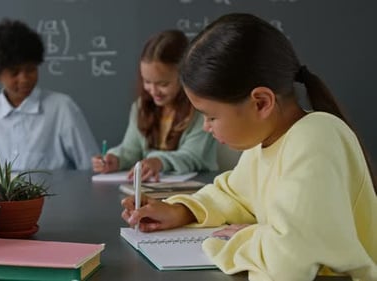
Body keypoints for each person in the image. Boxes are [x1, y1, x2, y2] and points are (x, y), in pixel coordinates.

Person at [121, 13, 376, 281]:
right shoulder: (265, 142)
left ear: (261, 103)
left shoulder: (316, 137)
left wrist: (245, 236)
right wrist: (179, 211)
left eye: (211, 116)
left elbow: (289, 261)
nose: (206, 127)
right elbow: (233, 195)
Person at [0, 18, 99, 170]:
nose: (24, 79)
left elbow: (90, 166)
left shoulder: (61, 108)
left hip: (57, 193)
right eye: (14, 73)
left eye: (31, 69)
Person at [92, 29, 218, 182]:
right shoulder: (141, 107)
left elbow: (194, 156)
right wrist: (115, 159)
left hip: (197, 189)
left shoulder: (201, 109)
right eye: (147, 82)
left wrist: (158, 162)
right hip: (150, 189)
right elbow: (131, 149)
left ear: (185, 76)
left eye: (163, 84)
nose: (153, 91)